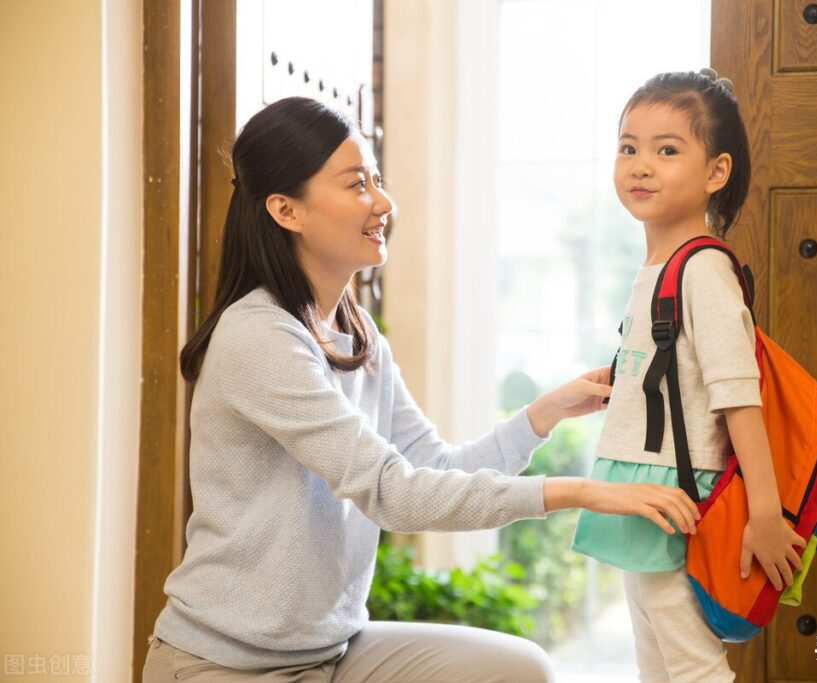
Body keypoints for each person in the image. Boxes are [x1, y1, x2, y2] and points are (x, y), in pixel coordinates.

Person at [141, 96, 700, 683]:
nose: (383, 203)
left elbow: (435, 467)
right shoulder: (258, 338)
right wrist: (578, 492)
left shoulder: (359, 341)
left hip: (334, 650)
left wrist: (542, 415)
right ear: (287, 210)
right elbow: (394, 493)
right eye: (357, 185)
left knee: (517, 670)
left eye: (377, 180)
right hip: (223, 663)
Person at [570, 70, 807, 683]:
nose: (641, 165)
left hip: (682, 499)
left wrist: (764, 513)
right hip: (641, 491)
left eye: (667, 149)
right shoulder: (658, 266)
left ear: (716, 172)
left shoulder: (702, 268)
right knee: (657, 661)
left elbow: (737, 396)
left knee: (693, 668)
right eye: (629, 147)